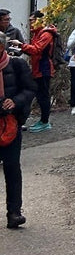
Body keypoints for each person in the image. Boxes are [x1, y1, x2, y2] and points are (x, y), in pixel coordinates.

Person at [0, 33, 34, 228]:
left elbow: (30, 89)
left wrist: (16, 101)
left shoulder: (17, 65)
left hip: (10, 123)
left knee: (12, 167)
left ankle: (14, 212)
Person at [21, 11, 60, 132]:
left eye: (32, 20)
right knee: (39, 94)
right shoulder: (38, 33)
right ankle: (43, 120)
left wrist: (21, 45)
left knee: (43, 95)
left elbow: (37, 49)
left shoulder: (46, 34)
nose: (31, 23)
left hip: (44, 69)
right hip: (38, 67)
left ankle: (45, 121)